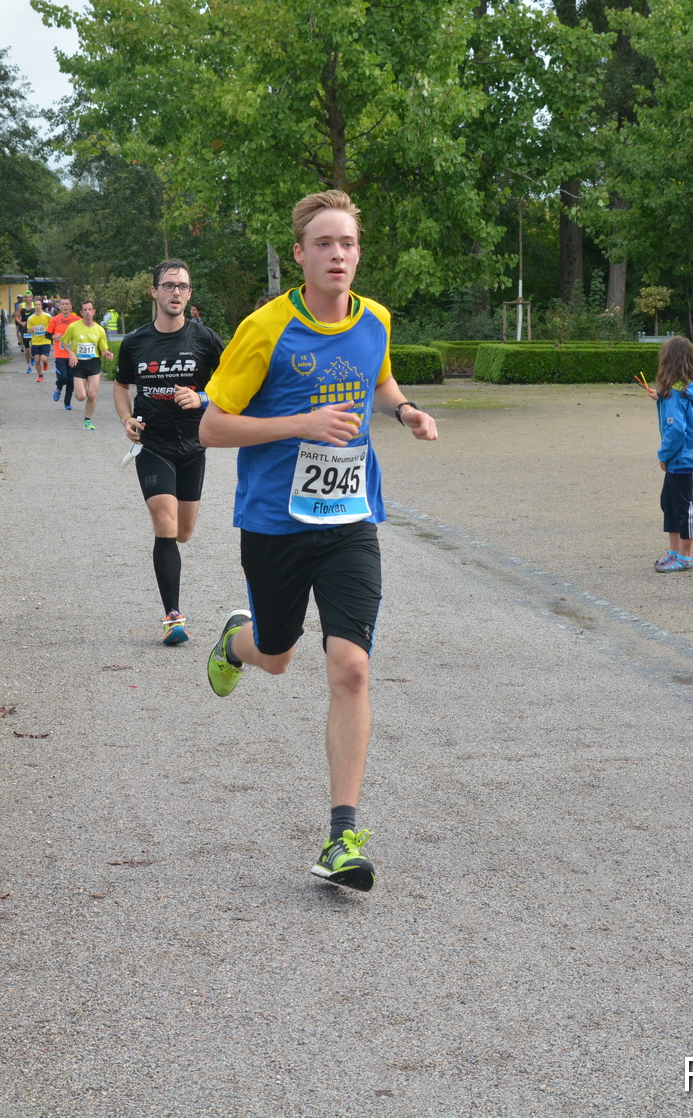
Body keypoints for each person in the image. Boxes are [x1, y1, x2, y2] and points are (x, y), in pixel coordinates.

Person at [200, 189, 439, 892]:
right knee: (277, 657)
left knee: (351, 667)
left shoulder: (376, 320)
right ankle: (237, 643)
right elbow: (211, 427)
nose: (339, 255)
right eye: (325, 244)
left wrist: (404, 409)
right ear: (301, 254)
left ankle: (342, 837)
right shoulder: (264, 328)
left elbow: (379, 379)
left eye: (349, 243)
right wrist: (300, 424)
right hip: (275, 522)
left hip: (349, 521)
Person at [113, 259, 225, 643]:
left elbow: (232, 386)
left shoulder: (205, 340)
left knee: (183, 532)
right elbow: (121, 386)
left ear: (189, 294)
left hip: (194, 445)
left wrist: (202, 397)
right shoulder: (136, 342)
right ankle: (173, 618)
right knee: (165, 523)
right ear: (154, 291)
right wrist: (126, 418)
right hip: (153, 444)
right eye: (169, 285)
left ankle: (172, 606)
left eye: (183, 286)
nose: (176, 292)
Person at [646, 335, 693, 572]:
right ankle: (674, 551)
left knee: (683, 507)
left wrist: (664, 454)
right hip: (682, 456)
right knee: (668, 503)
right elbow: (678, 402)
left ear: (667, 361)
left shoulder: (674, 393)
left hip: (680, 457)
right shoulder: (685, 388)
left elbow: (676, 429)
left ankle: (685, 556)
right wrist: (660, 396)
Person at [63, 300, 113, 428]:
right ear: (81, 312)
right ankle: (80, 389)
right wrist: (71, 353)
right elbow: (63, 342)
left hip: (93, 363)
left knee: (92, 394)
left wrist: (107, 354)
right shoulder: (73, 327)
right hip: (79, 363)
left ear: (94, 311)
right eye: (85, 310)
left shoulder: (100, 330)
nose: (87, 312)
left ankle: (87, 420)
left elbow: (103, 349)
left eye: (90, 309)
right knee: (81, 396)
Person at [48, 300, 80, 408]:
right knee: (62, 378)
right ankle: (58, 388)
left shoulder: (77, 320)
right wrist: (54, 337)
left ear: (71, 307)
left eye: (67, 304)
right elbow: (47, 334)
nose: (65, 306)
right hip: (60, 355)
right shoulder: (54, 320)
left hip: (72, 355)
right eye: (63, 304)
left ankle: (67, 403)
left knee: (71, 381)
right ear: (60, 307)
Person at [26, 299, 50, 378]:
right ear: (34, 306)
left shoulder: (47, 316)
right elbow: (28, 331)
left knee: (43, 359)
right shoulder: (30, 318)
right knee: (37, 360)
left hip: (45, 341)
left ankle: (45, 363)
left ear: (41, 306)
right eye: (36, 305)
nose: (37, 306)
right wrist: (31, 330)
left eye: (39, 305)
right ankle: (40, 376)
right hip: (35, 342)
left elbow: (52, 325)